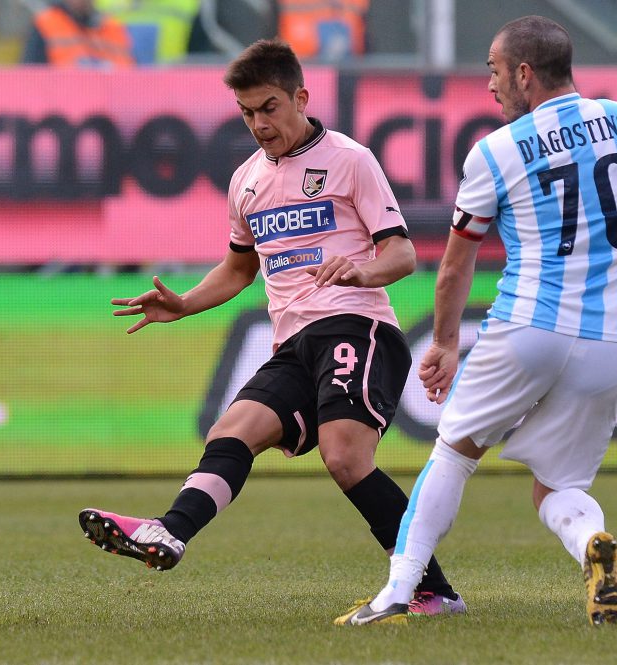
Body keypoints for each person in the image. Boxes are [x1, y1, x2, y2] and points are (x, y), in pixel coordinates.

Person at [335, 15, 617, 627]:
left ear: (524, 73)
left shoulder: (496, 150)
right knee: (559, 486)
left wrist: (446, 344)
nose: (491, 85)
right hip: (610, 343)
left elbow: (454, 267)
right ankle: (592, 546)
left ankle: (398, 593)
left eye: (495, 71)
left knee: (453, 452)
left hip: (527, 327)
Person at [79, 38, 465, 617]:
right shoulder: (246, 181)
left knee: (345, 457)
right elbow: (239, 268)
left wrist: (361, 271)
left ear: (300, 97)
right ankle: (169, 531)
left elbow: (403, 255)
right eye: (246, 113)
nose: (258, 124)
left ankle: (432, 591)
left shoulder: (350, 159)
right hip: (293, 343)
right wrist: (184, 303)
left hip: (356, 326)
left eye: (268, 108)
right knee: (229, 433)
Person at [21, 0, 134, 68]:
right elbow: (31, 78)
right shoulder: (48, 23)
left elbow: (133, 77)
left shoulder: (112, 27)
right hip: (61, 103)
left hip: (112, 103)